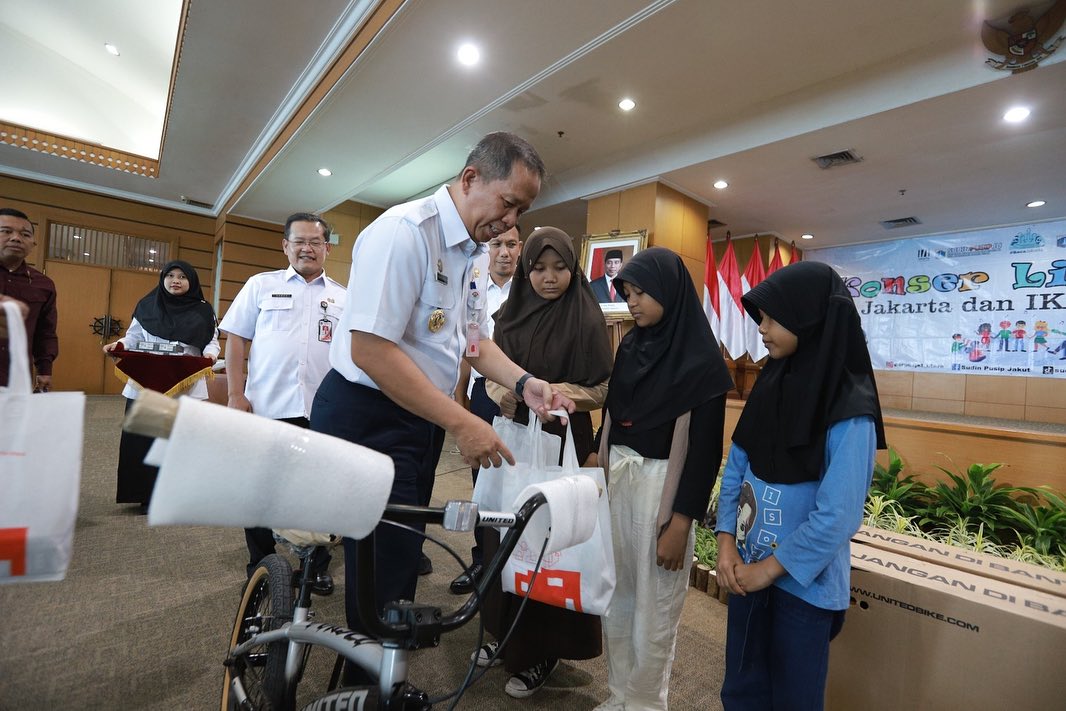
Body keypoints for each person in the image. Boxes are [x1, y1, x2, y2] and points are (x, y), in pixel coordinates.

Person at [309, 131, 575, 638]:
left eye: (521, 212)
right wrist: (462, 421)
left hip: (417, 415)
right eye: (508, 203)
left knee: (403, 544)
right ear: (470, 178)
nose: (510, 222)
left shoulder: (472, 252)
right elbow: (371, 349)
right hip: (369, 412)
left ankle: (388, 643)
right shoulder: (405, 233)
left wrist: (524, 383)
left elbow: (472, 342)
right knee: (383, 557)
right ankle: (372, 664)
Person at [715, 260, 886, 710]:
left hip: (803, 591)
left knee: (794, 698)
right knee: (742, 690)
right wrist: (727, 541)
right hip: (747, 571)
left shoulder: (851, 410)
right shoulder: (771, 380)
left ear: (809, 318)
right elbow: (736, 467)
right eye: (761, 318)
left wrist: (769, 569)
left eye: (773, 318)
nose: (762, 329)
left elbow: (839, 515)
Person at [476, 226, 613, 698]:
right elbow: (489, 373)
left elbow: (603, 388)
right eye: (538, 268)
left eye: (559, 268)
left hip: (563, 436)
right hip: (513, 435)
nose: (549, 278)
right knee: (503, 537)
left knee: (550, 543)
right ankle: (501, 634)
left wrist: (552, 393)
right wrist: (505, 391)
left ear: (573, 270)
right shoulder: (508, 314)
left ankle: (542, 652)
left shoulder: (587, 318)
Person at [595, 247, 733, 711]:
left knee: (655, 608)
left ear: (670, 292)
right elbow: (613, 411)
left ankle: (645, 703)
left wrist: (681, 522)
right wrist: (596, 455)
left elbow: (705, 453)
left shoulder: (702, 361)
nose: (632, 302)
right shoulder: (631, 346)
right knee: (618, 596)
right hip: (619, 479)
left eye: (641, 292)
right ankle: (619, 694)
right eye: (627, 293)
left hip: (662, 489)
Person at [218, 212, 345, 594]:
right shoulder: (261, 285)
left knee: (317, 493)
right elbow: (236, 339)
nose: (307, 248)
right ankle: (261, 562)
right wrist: (235, 394)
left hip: (323, 410)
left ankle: (315, 566)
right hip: (268, 406)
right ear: (285, 245)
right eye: (299, 241)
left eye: (315, 242)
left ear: (327, 248)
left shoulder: (343, 296)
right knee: (261, 490)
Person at [103, 261, 219, 509]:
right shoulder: (147, 304)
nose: (175, 281)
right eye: (170, 275)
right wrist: (119, 345)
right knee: (143, 437)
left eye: (182, 277)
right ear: (162, 278)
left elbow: (211, 341)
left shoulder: (203, 310)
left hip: (185, 381)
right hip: (146, 380)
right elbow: (133, 337)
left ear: (192, 281)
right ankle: (144, 495)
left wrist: (210, 355)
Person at [450, 224, 522, 595]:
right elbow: (469, 349)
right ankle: (482, 558)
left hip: (522, 397)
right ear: (487, 248)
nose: (504, 252)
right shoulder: (473, 286)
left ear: (520, 248)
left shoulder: (530, 290)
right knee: (483, 482)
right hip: (482, 395)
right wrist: (460, 401)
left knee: (518, 479)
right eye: (497, 244)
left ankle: (516, 561)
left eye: (511, 244)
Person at [0, 208, 57, 391]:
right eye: (6, 231)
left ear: (33, 243)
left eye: (25, 234)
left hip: (15, 378)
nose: (16, 238)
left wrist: (44, 369)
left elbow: (45, 331)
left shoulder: (43, 284)